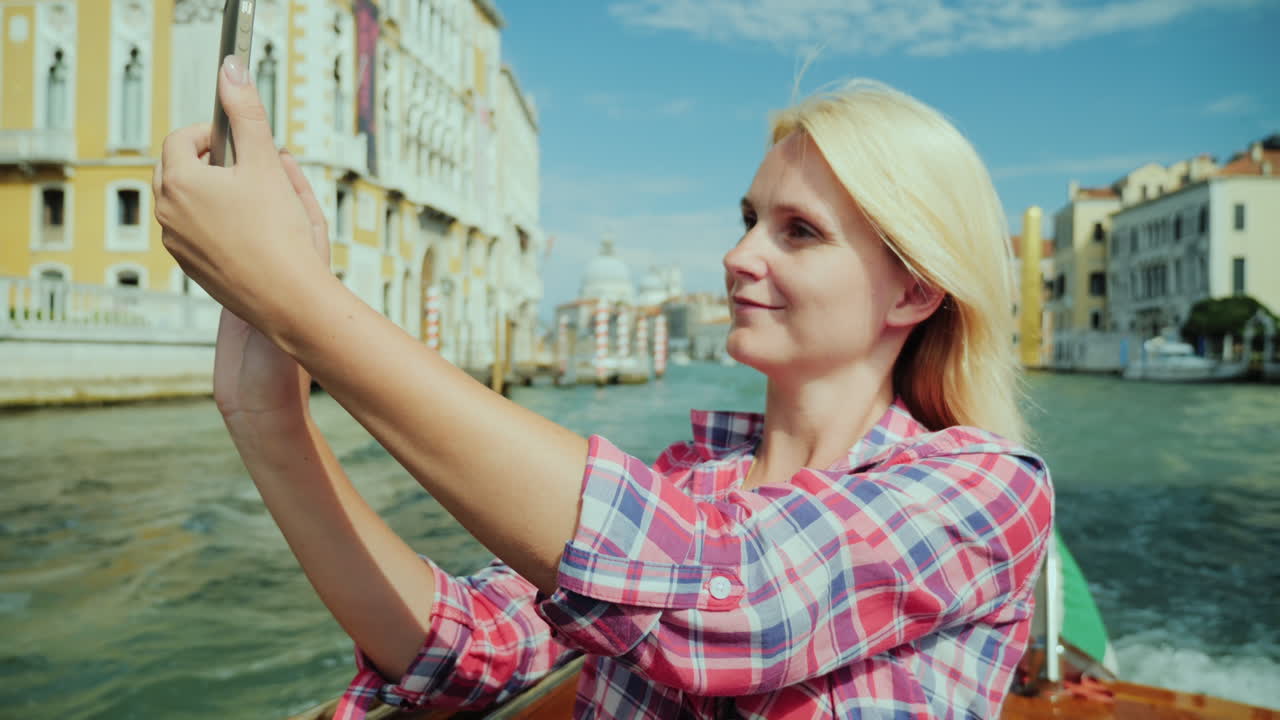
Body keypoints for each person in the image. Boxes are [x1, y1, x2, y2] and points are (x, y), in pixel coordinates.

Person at [153, 55, 1053, 719]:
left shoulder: (989, 489)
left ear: (915, 290)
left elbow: (726, 604)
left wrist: (297, 297)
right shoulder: (685, 482)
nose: (740, 256)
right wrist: (270, 417)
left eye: (799, 232)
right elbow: (470, 644)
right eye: (748, 220)